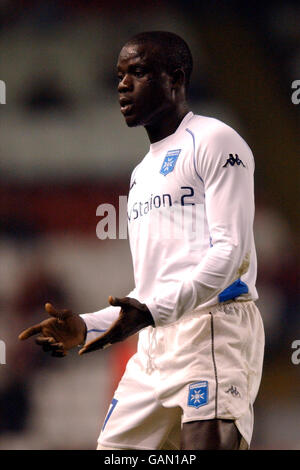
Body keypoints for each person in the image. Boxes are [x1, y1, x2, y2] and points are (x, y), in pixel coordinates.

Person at [19, 31, 265, 450]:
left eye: (137, 72)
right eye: (119, 75)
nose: (122, 84)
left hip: (212, 330)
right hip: (153, 345)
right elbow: (150, 291)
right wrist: (86, 327)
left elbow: (230, 253)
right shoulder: (140, 176)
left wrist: (151, 311)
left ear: (176, 77)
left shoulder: (214, 140)